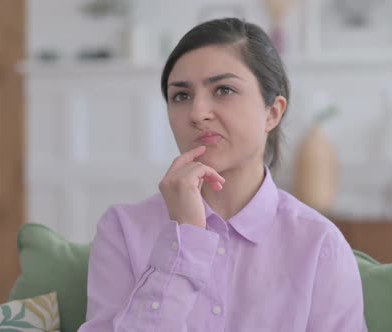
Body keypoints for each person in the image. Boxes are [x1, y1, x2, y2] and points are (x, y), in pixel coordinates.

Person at [78, 18, 367, 332]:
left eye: (224, 90)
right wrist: (185, 237)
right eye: (181, 96)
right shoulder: (122, 230)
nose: (197, 112)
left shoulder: (320, 244)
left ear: (272, 112)